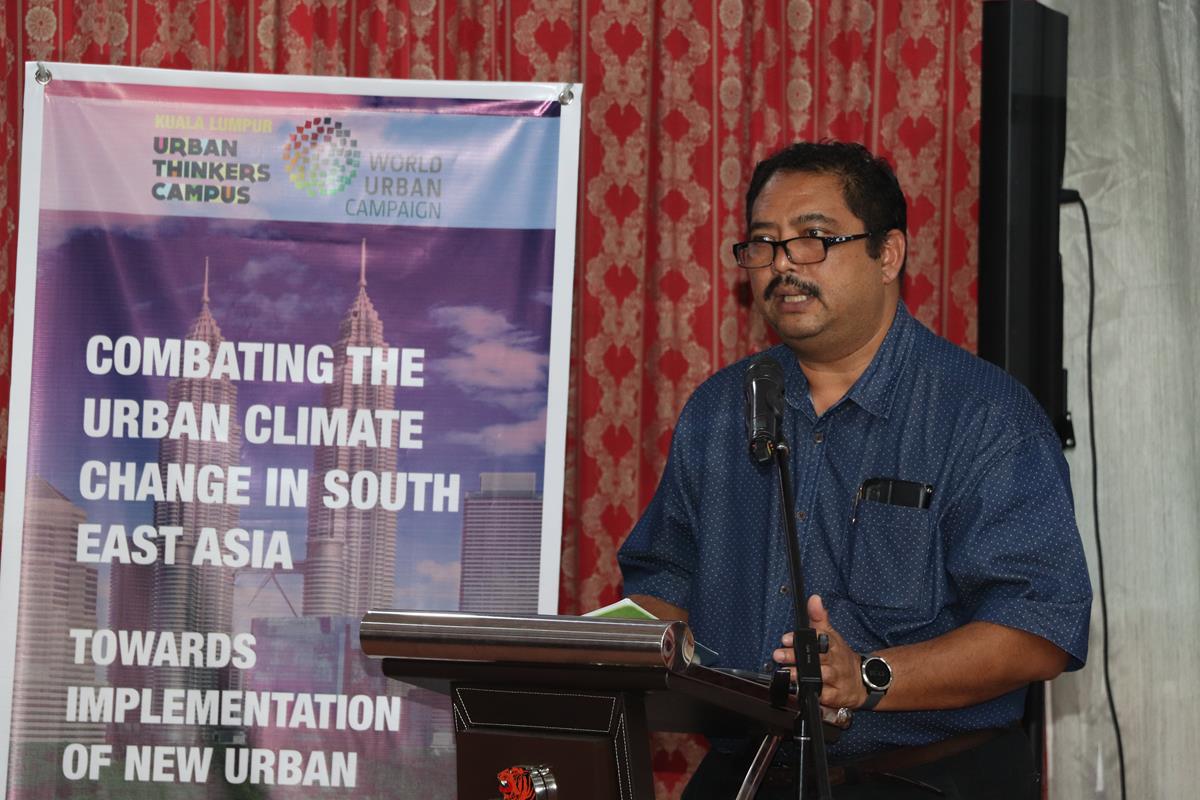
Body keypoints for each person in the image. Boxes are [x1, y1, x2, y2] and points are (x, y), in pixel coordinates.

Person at [617, 141, 1092, 799]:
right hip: (749, 775)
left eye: (812, 239)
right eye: (764, 243)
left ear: (888, 254)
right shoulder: (722, 409)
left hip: (921, 777)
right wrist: (602, 651)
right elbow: (664, 577)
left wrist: (867, 677)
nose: (783, 264)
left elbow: (1039, 628)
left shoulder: (982, 416)